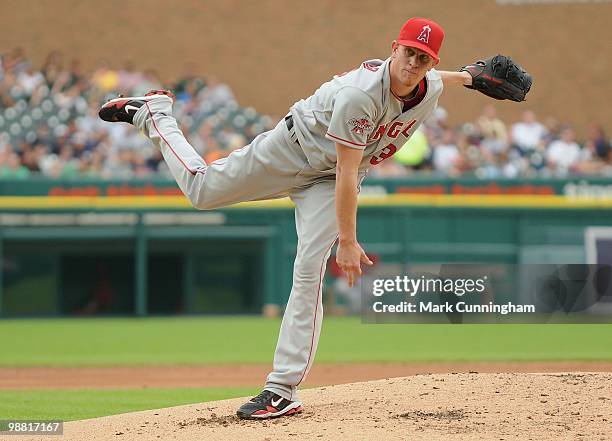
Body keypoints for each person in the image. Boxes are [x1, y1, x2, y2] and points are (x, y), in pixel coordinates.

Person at [99, 17, 494, 420]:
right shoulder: (361, 95)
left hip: (331, 177)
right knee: (201, 192)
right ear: (394, 47)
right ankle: (154, 114)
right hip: (291, 150)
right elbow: (345, 169)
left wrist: (470, 77)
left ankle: (281, 389)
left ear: (432, 63)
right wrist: (347, 239)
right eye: (408, 52)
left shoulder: (431, 85)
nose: (413, 63)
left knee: (308, 270)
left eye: (423, 58)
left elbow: (435, 81)